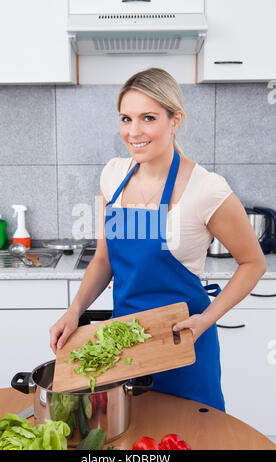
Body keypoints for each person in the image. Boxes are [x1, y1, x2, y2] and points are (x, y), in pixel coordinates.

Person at [49, 68, 266, 411]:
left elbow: (254, 263)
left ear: (175, 119)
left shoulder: (206, 188)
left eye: (148, 118)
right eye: (126, 118)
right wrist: (75, 310)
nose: (133, 132)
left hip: (184, 341)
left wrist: (207, 319)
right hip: (125, 347)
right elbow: (104, 259)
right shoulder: (113, 174)